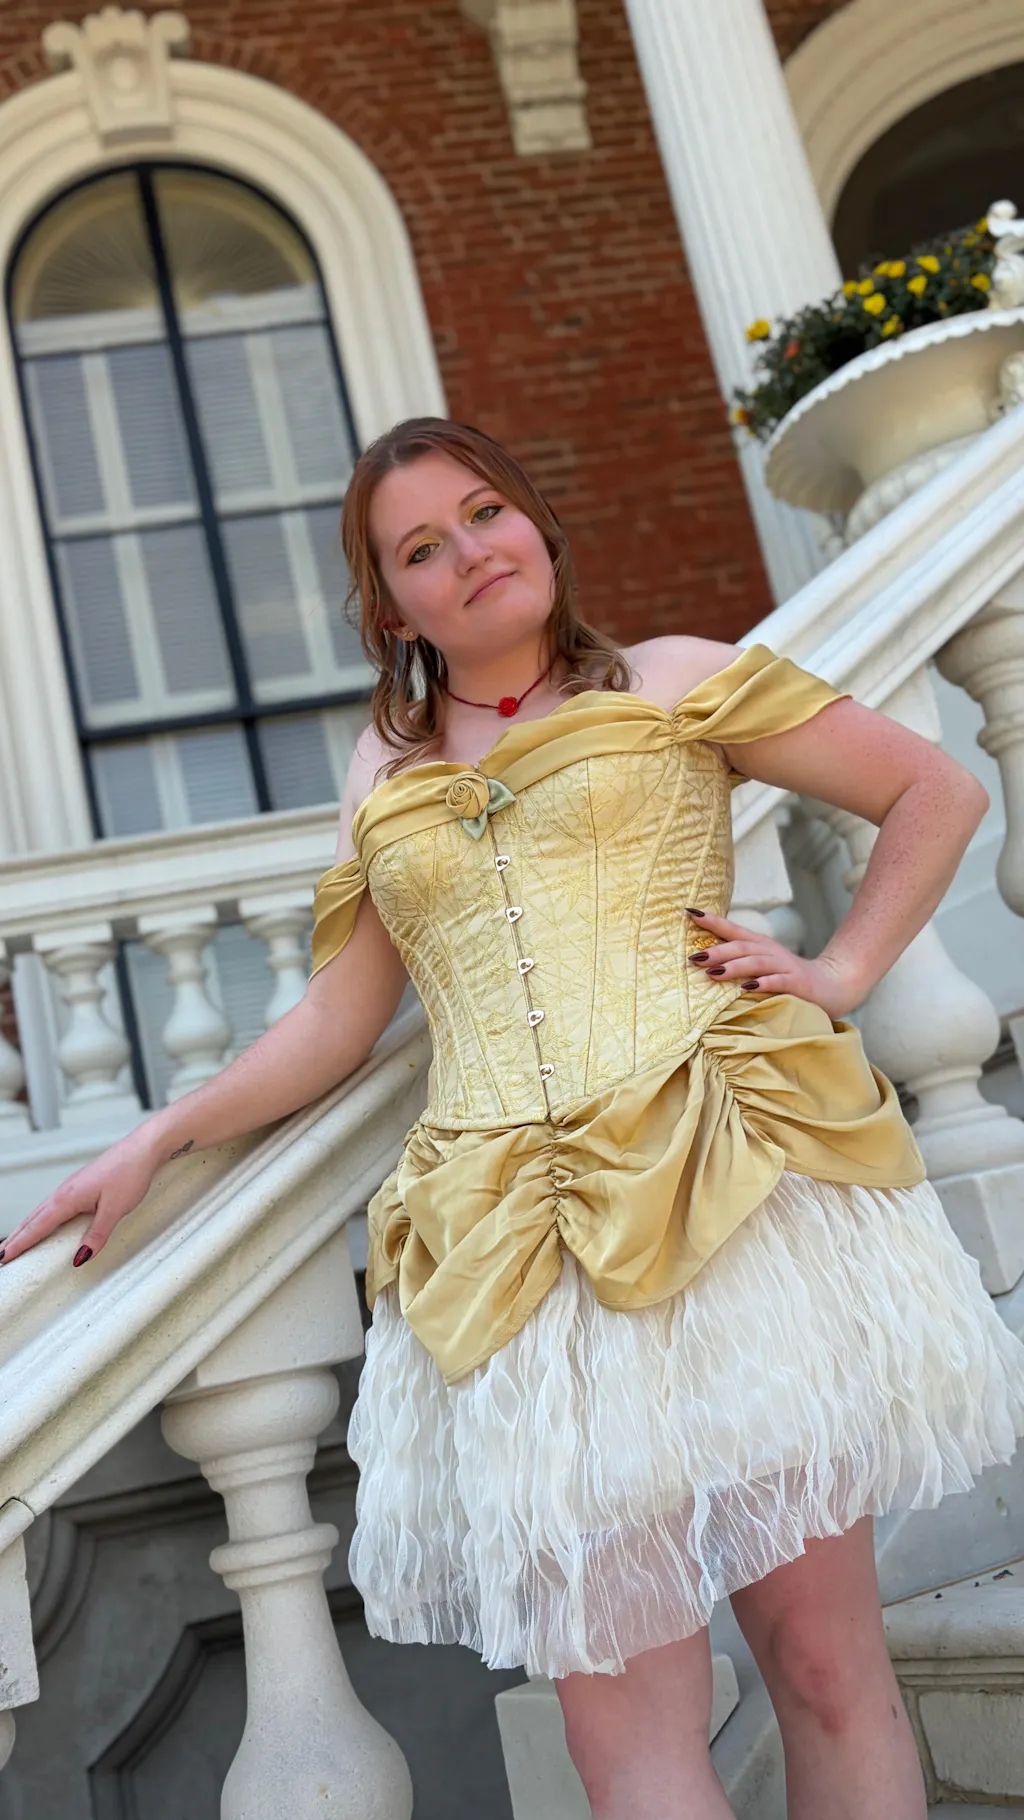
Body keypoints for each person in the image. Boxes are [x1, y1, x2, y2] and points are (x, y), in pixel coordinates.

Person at [5, 417, 1024, 1820]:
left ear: (537, 523)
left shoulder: (675, 676)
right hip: (520, 1261)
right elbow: (339, 1019)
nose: (472, 552)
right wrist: (156, 1137)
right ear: (391, 609)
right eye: (423, 547)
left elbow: (933, 788)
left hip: (726, 1195)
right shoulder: (381, 774)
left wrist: (842, 970)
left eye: (486, 512)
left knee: (822, 1666)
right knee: (623, 1738)